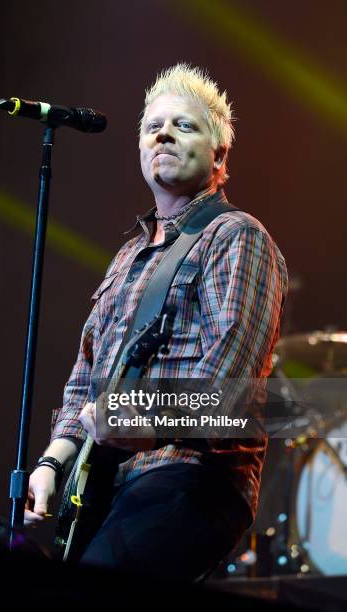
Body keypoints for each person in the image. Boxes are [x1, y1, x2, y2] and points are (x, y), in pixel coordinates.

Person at [25, 63, 288, 581]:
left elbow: (227, 388)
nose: (163, 133)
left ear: (219, 153)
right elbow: (87, 377)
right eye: (152, 126)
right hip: (103, 486)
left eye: (184, 125)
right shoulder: (127, 257)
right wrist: (54, 461)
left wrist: (131, 418)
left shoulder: (237, 236)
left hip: (189, 477)